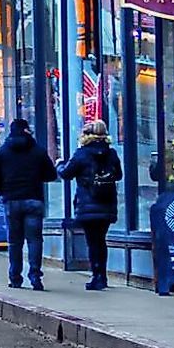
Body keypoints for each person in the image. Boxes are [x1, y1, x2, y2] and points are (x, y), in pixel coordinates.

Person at [0, 117, 60, 290]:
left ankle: (15, 277)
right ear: (27, 130)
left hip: (11, 201)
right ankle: (35, 276)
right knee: (34, 240)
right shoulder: (38, 151)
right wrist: (36, 177)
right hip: (33, 199)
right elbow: (51, 174)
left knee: (15, 241)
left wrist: (2, 189)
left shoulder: (2, 151)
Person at [60, 119, 123, 290]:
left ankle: (97, 276)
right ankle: (102, 275)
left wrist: (59, 164)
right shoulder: (112, 154)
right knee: (101, 241)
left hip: (88, 204)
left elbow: (66, 173)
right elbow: (118, 175)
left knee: (92, 242)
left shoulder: (82, 154)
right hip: (107, 203)